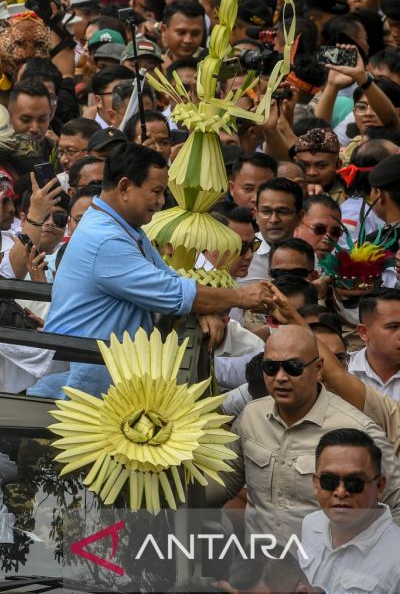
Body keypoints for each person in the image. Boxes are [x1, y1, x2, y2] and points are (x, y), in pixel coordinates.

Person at [32, 143, 276, 397]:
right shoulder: (106, 239)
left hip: (111, 375)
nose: (161, 202)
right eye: (156, 192)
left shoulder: (125, 227)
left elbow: (171, 279)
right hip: (81, 382)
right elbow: (173, 292)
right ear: (125, 187)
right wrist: (242, 297)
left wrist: (204, 309)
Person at [213, 323, 400, 542]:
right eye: (271, 368)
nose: (281, 377)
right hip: (259, 568)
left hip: (326, 571)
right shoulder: (251, 416)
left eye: (293, 367)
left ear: (319, 368)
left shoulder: (358, 430)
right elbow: (221, 484)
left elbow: (396, 505)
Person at [299, 428, 400, 590]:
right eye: (329, 481)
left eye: (355, 483)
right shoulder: (310, 525)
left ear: (380, 486)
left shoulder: (396, 560)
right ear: (315, 485)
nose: (340, 492)